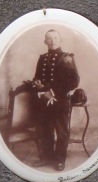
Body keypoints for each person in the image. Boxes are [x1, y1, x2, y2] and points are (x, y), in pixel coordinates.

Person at [25, 29, 80, 171]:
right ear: (45, 42)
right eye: (49, 38)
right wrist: (37, 84)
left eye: (55, 37)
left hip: (60, 101)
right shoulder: (42, 58)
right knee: (44, 129)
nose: (53, 40)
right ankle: (46, 157)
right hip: (43, 100)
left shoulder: (67, 57)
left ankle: (59, 160)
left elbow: (74, 81)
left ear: (60, 40)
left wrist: (51, 90)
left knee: (61, 131)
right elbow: (37, 77)